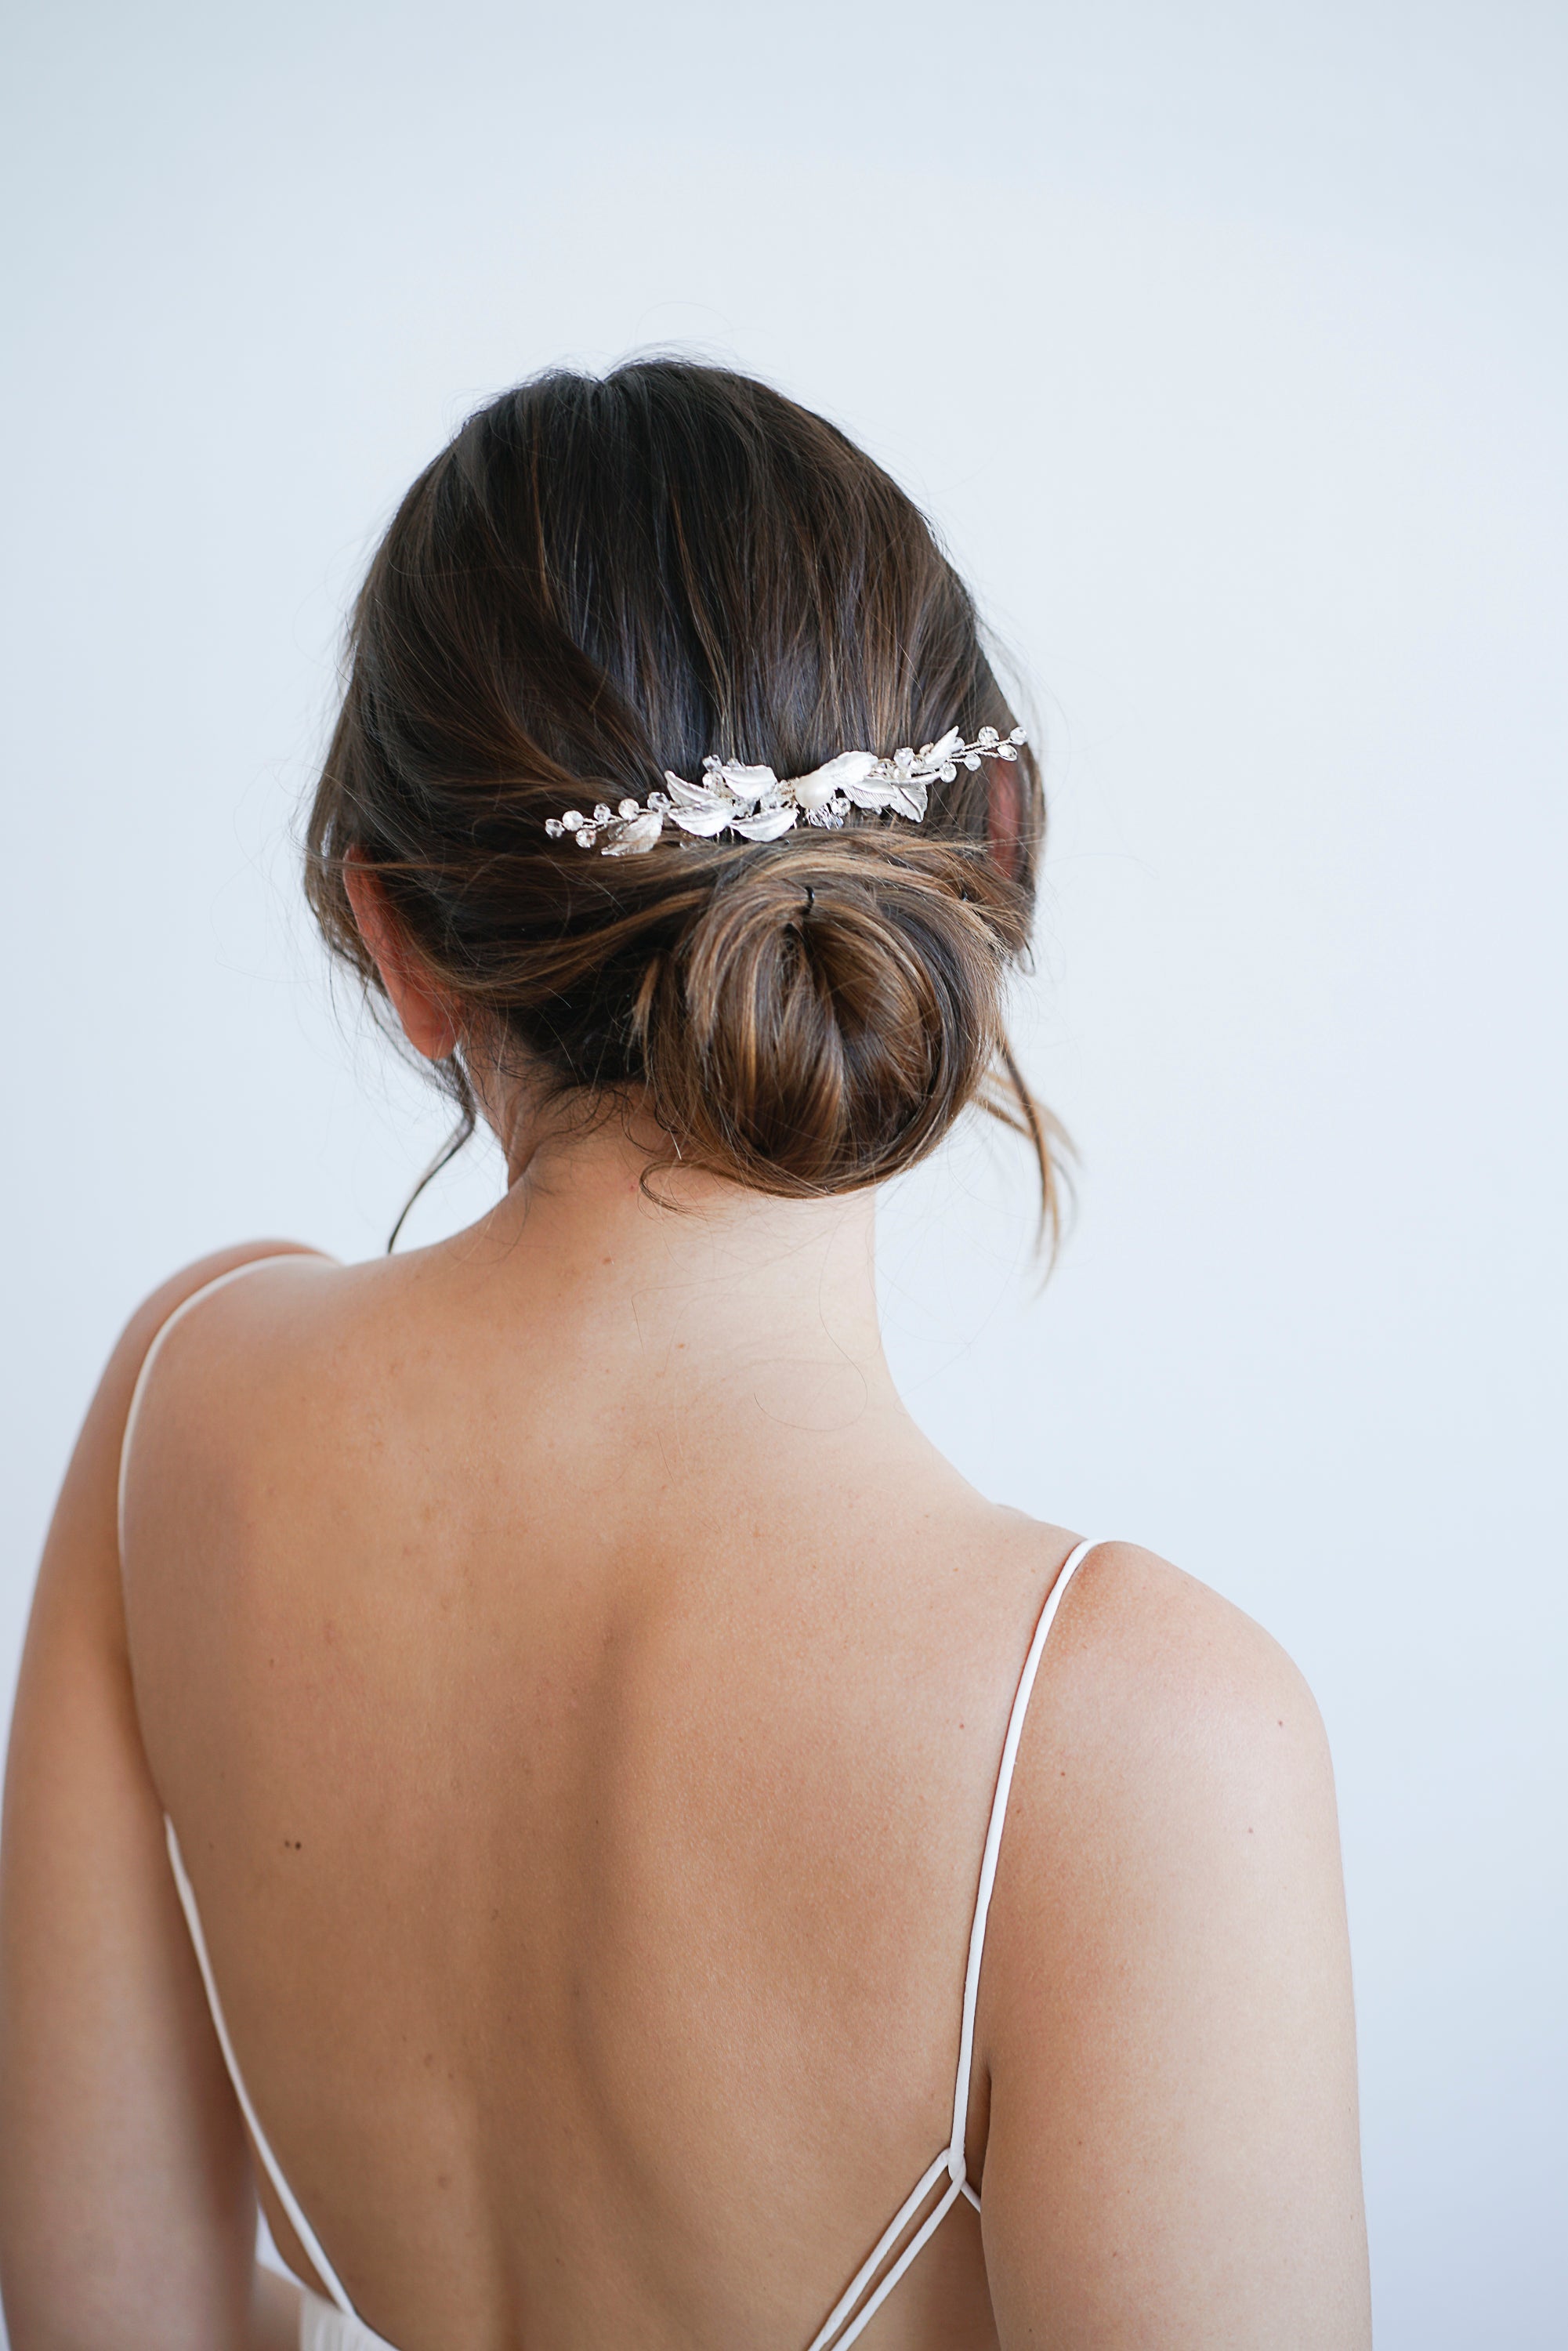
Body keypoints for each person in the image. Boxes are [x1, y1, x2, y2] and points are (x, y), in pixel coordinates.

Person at [0, 361, 1371, 2350]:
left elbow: (97, 2314)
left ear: (394, 941)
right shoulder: (1133, 1743)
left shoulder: (176, 1408)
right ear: (991, 853)